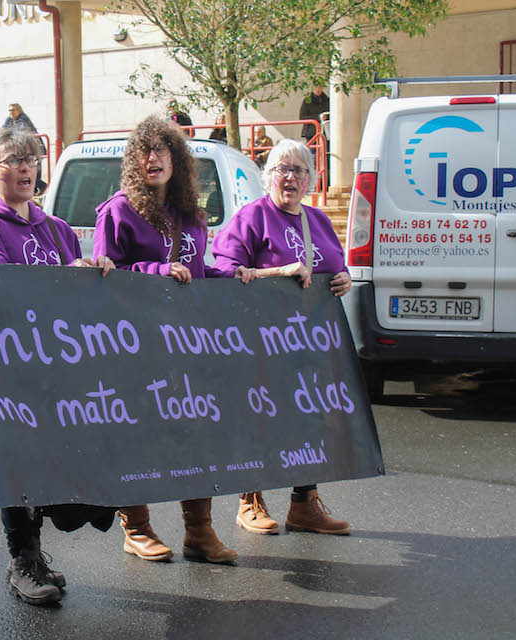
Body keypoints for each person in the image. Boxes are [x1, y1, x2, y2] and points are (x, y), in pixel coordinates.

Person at [0, 127, 113, 607]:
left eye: (32, 158)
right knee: (18, 463)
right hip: (9, 369)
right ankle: (22, 559)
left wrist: (97, 273)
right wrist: (65, 277)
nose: (27, 166)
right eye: (14, 159)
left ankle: (37, 554)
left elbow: (75, 294)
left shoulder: (57, 229)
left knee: (49, 458)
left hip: (56, 368)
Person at [92, 115, 240, 566]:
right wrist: (155, 271)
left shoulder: (191, 214)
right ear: (134, 162)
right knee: (139, 438)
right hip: (137, 347)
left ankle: (199, 531)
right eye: (145, 150)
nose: (152, 157)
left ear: (177, 159)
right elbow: (103, 278)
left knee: (196, 435)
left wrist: (236, 276)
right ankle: (136, 527)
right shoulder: (116, 211)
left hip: (189, 346)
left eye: (162, 149)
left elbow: (196, 273)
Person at [211, 138, 352, 537]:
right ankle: (249, 501)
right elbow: (224, 273)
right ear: (266, 176)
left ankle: (304, 505)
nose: (290, 177)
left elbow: (333, 268)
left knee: (309, 420)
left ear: (310, 180)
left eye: (299, 171)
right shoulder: (250, 218)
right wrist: (276, 274)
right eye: (281, 169)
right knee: (259, 418)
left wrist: (343, 280)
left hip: (309, 343)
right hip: (259, 344)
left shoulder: (318, 221)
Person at [2, 103, 47, 195]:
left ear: (19, 110)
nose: (11, 112)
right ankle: (35, 188)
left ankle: (40, 186)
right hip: (22, 150)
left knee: (32, 169)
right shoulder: (9, 120)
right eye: (9, 110)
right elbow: (3, 130)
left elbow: (21, 131)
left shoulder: (23, 119)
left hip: (33, 149)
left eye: (13, 110)